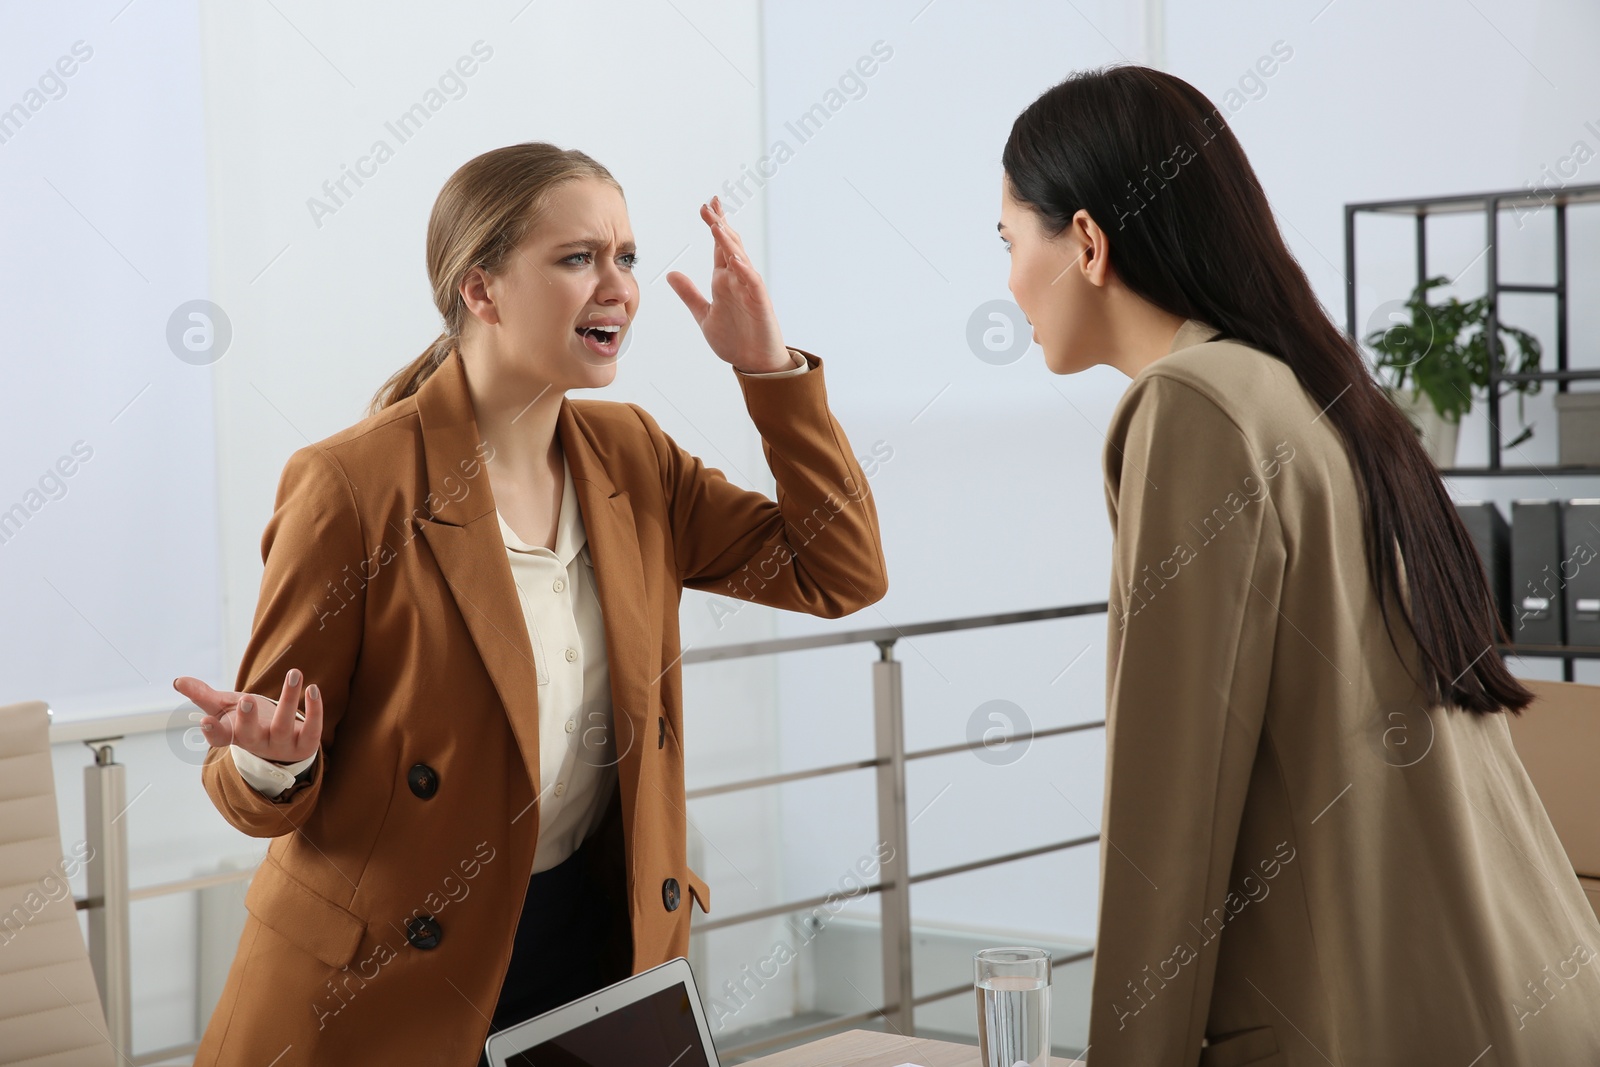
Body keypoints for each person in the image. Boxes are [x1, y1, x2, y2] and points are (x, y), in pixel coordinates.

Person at [174, 142, 887, 1066]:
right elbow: (253, 781)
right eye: (579, 257)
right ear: (481, 288)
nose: (618, 287)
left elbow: (838, 569)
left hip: (590, 956)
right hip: (385, 988)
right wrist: (275, 763)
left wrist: (769, 370)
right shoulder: (351, 485)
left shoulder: (634, 453)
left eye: (626, 257)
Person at [998, 67, 1600, 1065]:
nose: (1009, 279)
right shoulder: (1310, 391)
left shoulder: (1192, 405)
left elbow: (1170, 811)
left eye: (1011, 241)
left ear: (1089, 243)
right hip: (1529, 995)